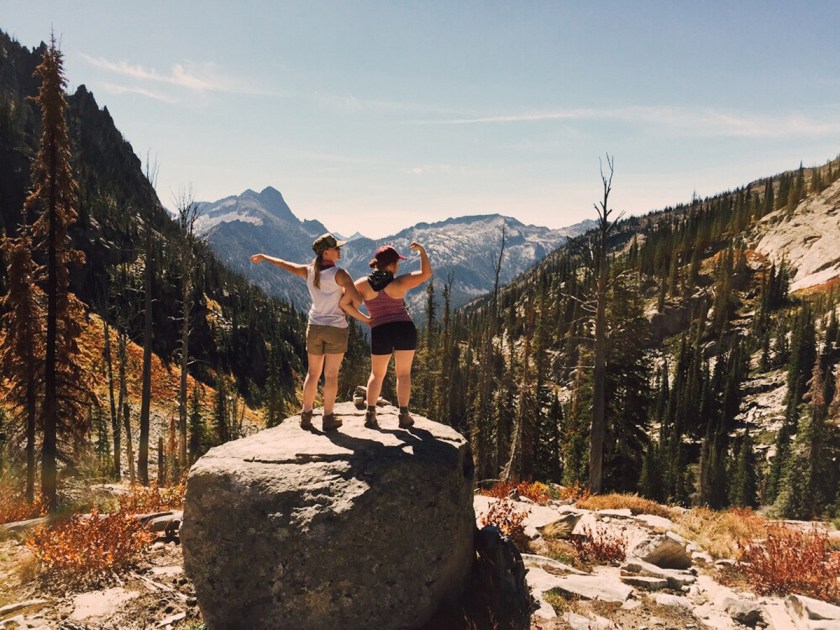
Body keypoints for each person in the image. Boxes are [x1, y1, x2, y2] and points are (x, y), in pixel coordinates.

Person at [250, 233, 362, 431]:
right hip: (336, 328)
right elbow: (357, 301)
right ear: (326, 252)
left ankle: (306, 415)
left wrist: (265, 257)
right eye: (336, 247)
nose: (339, 250)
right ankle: (328, 418)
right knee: (331, 376)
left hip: (315, 326)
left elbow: (284, 264)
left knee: (312, 373)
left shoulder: (308, 271)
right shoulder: (341, 274)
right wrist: (344, 294)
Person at [343, 242, 431, 429]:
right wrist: (422, 251)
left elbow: (345, 304)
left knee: (376, 374)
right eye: (397, 262)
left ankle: (371, 414)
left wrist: (366, 319)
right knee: (404, 374)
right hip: (404, 328)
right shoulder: (399, 282)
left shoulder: (361, 284)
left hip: (380, 329)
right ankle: (404, 415)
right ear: (391, 264)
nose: (398, 266)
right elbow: (426, 274)